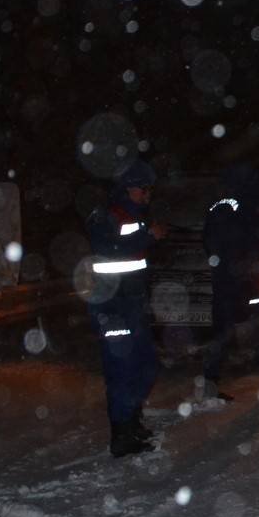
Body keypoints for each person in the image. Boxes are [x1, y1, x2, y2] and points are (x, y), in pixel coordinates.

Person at [86, 159, 167, 458]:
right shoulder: (105, 216)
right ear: (126, 188)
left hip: (132, 308)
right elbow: (108, 248)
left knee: (145, 367)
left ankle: (132, 422)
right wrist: (148, 237)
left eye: (150, 189)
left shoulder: (135, 217)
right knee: (122, 372)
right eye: (142, 188)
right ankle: (121, 437)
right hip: (111, 309)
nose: (147, 194)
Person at [202, 164, 259, 402]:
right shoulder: (245, 207)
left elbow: (209, 242)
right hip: (244, 282)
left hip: (224, 281)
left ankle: (210, 386)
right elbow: (254, 244)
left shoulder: (218, 207)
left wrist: (225, 268)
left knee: (222, 334)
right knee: (258, 330)